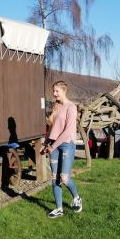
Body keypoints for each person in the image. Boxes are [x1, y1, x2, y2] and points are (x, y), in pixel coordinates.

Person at [40, 81, 83, 218]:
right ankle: (59, 209)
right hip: (53, 145)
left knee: (64, 177)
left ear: (64, 91)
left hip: (66, 144)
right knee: (55, 178)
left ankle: (76, 198)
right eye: (54, 91)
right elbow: (52, 128)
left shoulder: (71, 107)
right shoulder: (57, 107)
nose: (54, 93)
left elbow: (67, 131)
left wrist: (52, 146)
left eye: (57, 91)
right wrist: (45, 143)